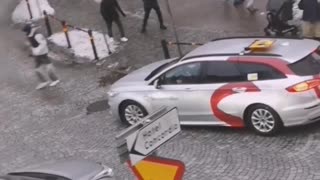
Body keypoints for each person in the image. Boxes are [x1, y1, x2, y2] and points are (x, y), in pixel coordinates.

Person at [22, 23, 60, 90]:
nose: (26, 33)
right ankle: (44, 81)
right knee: (37, 69)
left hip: (43, 53)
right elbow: (33, 45)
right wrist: (33, 52)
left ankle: (55, 79)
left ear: (29, 30)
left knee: (48, 67)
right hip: (37, 55)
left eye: (27, 31)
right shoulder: (29, 35)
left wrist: (37, 51)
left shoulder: (37, 35)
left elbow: (43, 43)